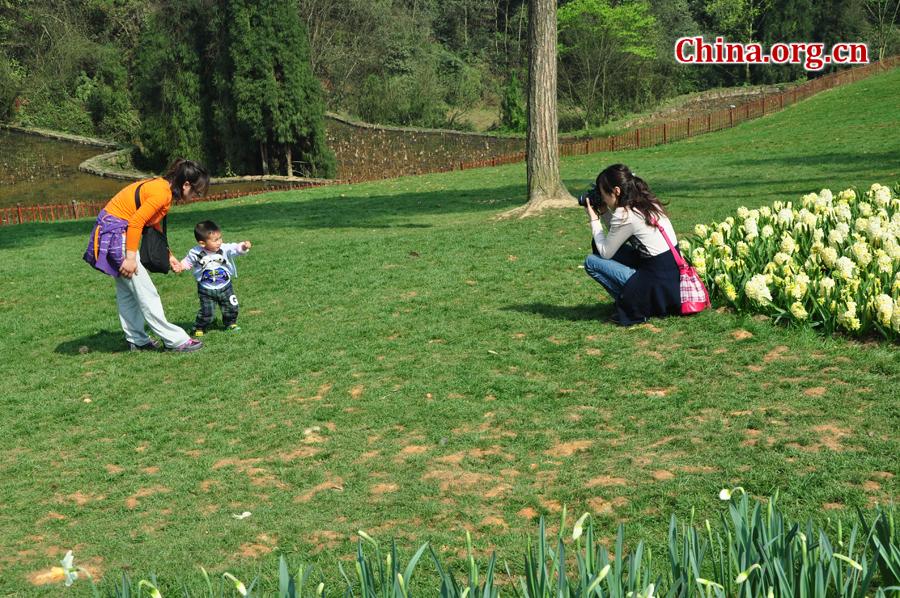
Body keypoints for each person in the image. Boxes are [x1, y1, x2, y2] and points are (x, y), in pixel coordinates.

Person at [84, 159, 209, 352]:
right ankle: (176, 341)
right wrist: (131, 258)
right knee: (145, 291)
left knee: (127, 292)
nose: (196, 195)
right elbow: (136, 222)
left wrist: (168, 255)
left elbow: (151, 221)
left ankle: (137, 340)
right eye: (197, 191)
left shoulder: (160, 186)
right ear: (186, 184)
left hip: (110, 233)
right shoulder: (161, 194)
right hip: (117, 236)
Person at [583, 164, 682, 326]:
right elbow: (618, 234)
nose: (603, 199)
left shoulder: (625, 214)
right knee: (612, 247)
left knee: (591, 261)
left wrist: (594, 221)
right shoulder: (646, 202)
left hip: (655, 280)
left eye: (603, 194)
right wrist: (605, 212)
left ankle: (634, 304)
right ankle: (641, 300)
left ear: (616, 191)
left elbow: (605, 252)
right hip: (671, 278)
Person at [179, 220, 252, 337]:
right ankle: (200, 327)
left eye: (220, 238)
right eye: (215, 240)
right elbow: (187, 263)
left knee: (231, 306)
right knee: (207, 311)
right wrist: (180, 267)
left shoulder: (224, 248)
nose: (219, 242)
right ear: (202, 243)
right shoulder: (196, 252)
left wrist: (244, 246)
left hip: (225, 286)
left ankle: (230, 323)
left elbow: (236, 248)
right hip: (206, 289)